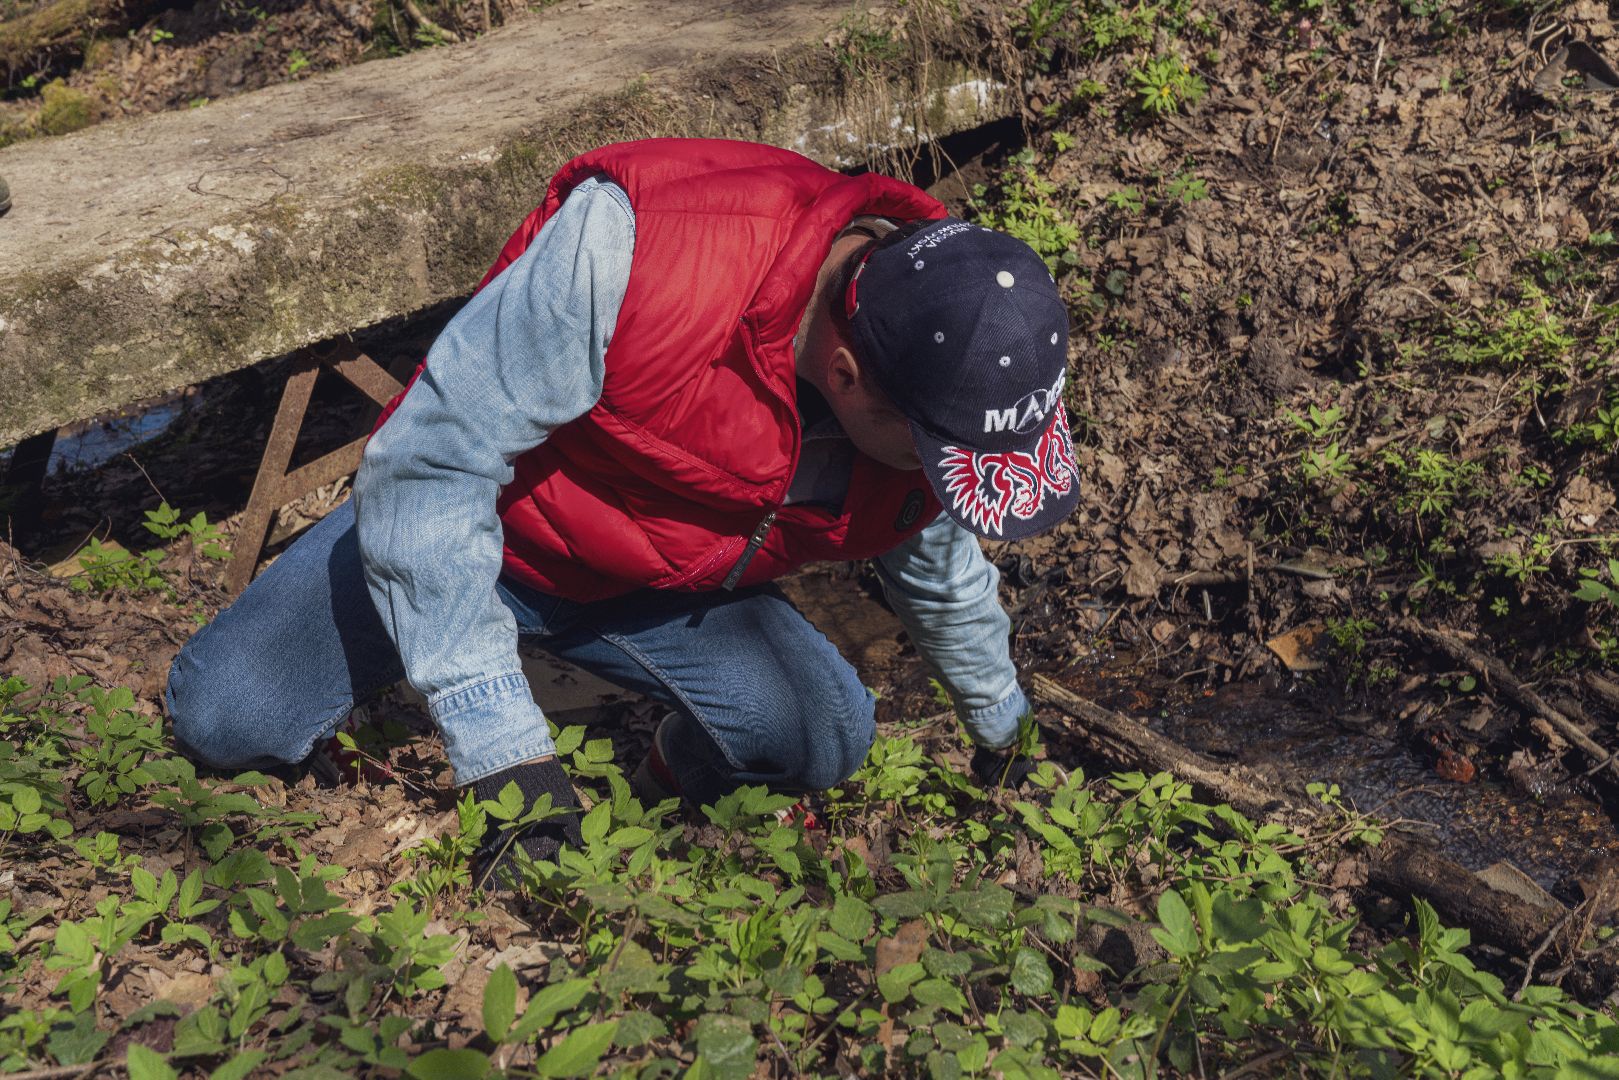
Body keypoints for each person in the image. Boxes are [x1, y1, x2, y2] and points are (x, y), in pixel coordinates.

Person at [165, 138, 1079, 880]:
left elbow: (936, 560)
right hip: (491, 527)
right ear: (846, 375)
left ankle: (668, 773)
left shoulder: (946, 358)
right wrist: (503, 752)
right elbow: (431, 465)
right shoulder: (640, 249)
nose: (939, 476)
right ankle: (403, 671)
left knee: (824, 734)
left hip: (654, 583)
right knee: (226, 718)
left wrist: (1003, 724)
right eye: (932, 454)